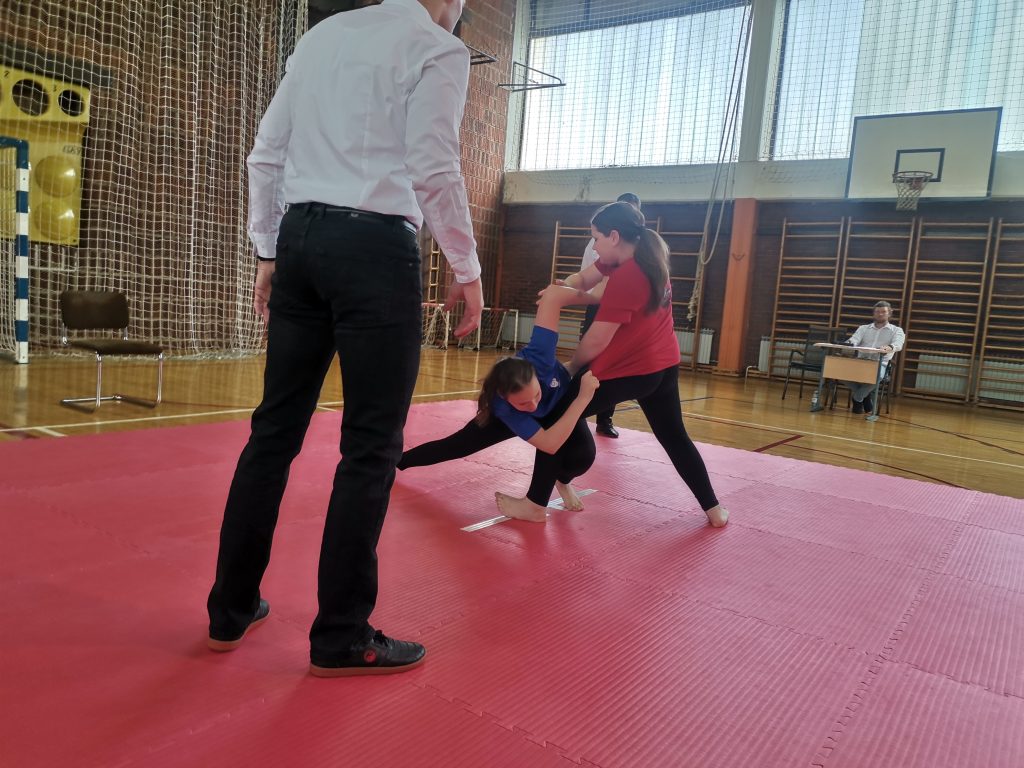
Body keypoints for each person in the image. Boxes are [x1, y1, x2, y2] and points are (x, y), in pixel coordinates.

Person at [206, 0, 483, 678]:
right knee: (370, 446)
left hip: (301, 239)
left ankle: (229, 610)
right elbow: (433, 165)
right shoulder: (436, 47)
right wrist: (467, 266)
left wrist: (268, 251)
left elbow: (265, 156)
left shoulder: (323, 35)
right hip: (375, 250)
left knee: (273, 432)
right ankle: (340, 635)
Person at [402, 202, 729, 528]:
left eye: (596, 238)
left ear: (614, 237)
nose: (594, 246)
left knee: (555, 416)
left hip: (628, 369)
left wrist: (572, 367)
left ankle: (534, 503)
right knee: (674, 436)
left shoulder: (629, 276)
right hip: (664, 365)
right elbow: (585, 278)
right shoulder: (646, 257)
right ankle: (713, 509)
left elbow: (596, 340)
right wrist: (564, 289)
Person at [402, 286, 600, 521]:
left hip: (557, 405)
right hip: (514, 420)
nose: (533, 405)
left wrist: (599, 297)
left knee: (584, 456)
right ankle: (397, 461)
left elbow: (554, 296)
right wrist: (583, 398)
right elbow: (548, 444)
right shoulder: (504, 408)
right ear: (504, 398)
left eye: (536, 395)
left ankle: (562, 481)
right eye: (523, 403)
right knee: (456, 446)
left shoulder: (541, 355)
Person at [578, 192, 642, 438]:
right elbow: (587, 278)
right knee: (592, 360)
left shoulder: (634, 261)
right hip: (598, 302)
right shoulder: (603, 244)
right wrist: (566, 290)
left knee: (607, 359)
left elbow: (604, 287)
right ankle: (577, 411)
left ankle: (602, 418)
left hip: (613, 304)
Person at [843, 301, 905, 414]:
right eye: (877, 312)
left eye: (883, 312)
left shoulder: (897, 330)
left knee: (877, 376)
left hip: (880, 363)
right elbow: (854, 340)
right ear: (873, 313)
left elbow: (898, 344)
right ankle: (865, 395)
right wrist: (849, 343)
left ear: (889, 313)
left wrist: (889, 347)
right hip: (861, 362)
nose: (880, 314)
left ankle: (858, 398)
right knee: (840, 373)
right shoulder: (863, 328)